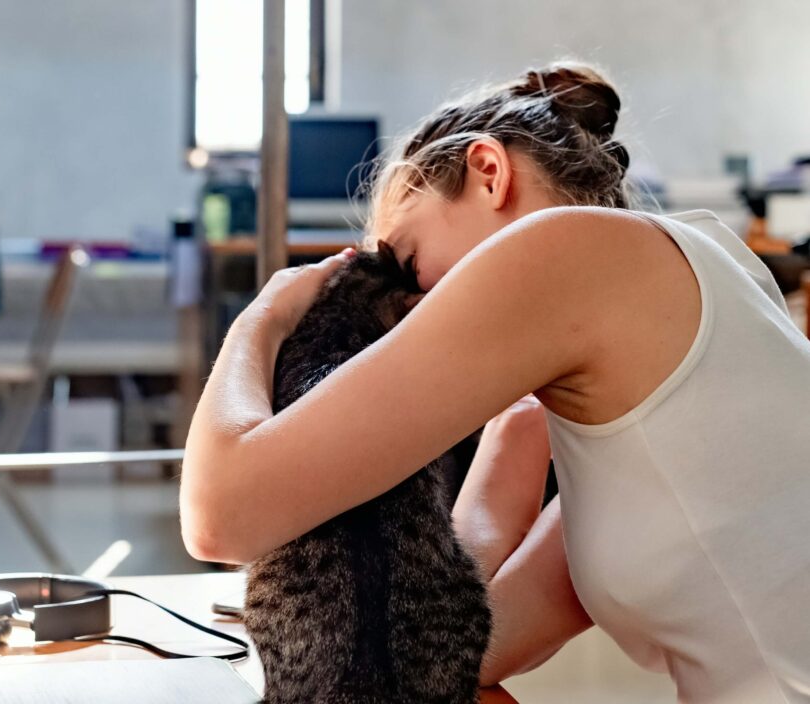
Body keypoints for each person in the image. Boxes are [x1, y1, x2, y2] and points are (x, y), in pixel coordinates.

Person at [179, 62, 810, 703]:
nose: (410, 308)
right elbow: (464, 646)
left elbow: (218, 518)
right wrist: (516, 425)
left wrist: (266, 315)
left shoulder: (560, 248)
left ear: (488, 171)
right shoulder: (709, 265)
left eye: (410, 263)